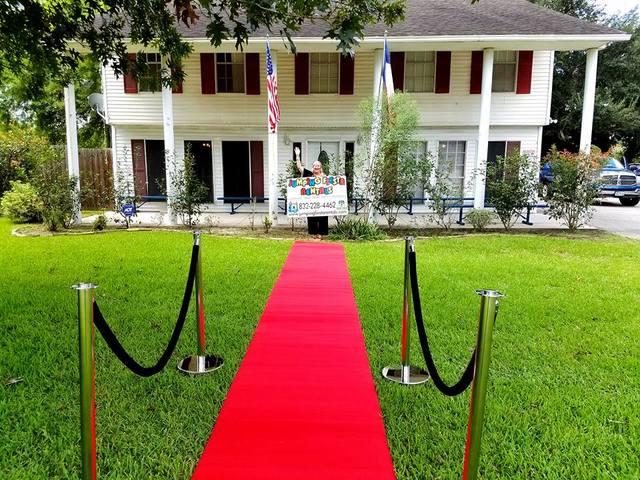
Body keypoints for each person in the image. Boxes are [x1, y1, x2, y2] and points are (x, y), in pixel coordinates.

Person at [294, 146, 329, 237]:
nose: (316, 167)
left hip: (322, 200)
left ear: (320, 167)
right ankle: (313, 233)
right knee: (312, 216)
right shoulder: (308, 174)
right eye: (315, 166)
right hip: (311, 200)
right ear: (312, 167)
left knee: (322, 216)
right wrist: (297, 155)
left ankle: (321, 233)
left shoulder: (324, 177)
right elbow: (299, 167)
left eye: (318, 166)